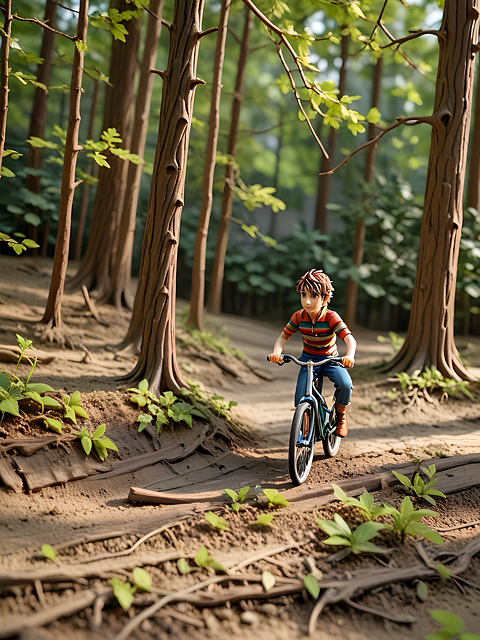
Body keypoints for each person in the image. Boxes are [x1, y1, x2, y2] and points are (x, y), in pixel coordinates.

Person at [268, 269, 356, 437]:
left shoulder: (331, 317)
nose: (307, 301)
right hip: (308, 360)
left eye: (314, 296)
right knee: (301, 394)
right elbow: (282, 338)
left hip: (330, 359)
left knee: (345, 384)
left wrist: (349, 356)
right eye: (303, 295)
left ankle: (341, 418)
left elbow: (350, 339)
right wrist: (276, 352)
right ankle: (305, 420)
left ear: (324, 297)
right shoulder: (298, 317)